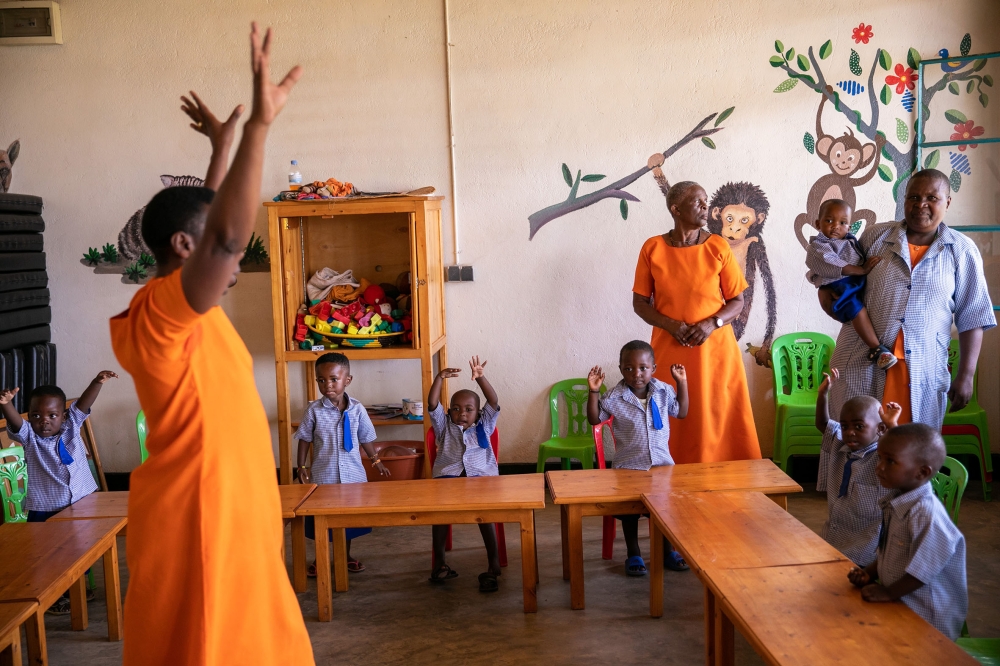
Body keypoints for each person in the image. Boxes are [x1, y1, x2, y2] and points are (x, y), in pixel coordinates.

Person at [109, 23, 314, 664]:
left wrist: (222, 151)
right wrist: (257, 129)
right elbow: (221, 236)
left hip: (235, 516)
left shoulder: (187, 306)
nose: (233, 266)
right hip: (197, 525)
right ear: (183, 252)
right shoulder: (167, 315)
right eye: (219, 256)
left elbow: (206, 220)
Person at [829, 169, 996, 428]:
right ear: (904, 200)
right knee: (855, 447)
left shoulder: (961, 250)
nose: (921, 205)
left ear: (947, 202)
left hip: (922, 369)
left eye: (932, 197)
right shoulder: (875, 237)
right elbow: (837, 283)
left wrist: (966, 375)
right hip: (862, 361)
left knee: (910, 452)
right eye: (913, 197)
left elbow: (973, 317)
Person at [633, 159, 761, 463]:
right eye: (698, 202)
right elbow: (640, 303)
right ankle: (669, 482)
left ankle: (727, 483)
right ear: (676, 209)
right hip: (668, 347)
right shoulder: (652, 248)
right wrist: (672, 325)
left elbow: (737, 301)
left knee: (715, 410)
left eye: (706, 202)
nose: (706, 207)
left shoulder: (718, 246)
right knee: (668, 409)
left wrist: (710, 324)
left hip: (714, 348)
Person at [0, 371, 117, 614]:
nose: (44, 421)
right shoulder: (30, 437)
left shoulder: (72, 425)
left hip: (80, 504)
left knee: (81, 549)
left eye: (52, 415)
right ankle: (55, 595)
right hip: (46, 508)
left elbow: (83, 404)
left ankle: (73, 586)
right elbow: (15, 423)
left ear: (63, 417)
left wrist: (97, 382)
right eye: (36, 415)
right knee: (48, 556)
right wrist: (6, 404)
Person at [848, 423, 967, 640]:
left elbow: (923, 571)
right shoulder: (897, 500)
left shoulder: (925, 514)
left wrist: (888, 592)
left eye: (890, 461)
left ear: (922, 472)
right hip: (901, 602)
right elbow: (890, 552)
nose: (880, 467)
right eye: (880, 458)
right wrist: (870, 573)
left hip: (927, 620)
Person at [586, 340, 689, 575]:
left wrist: (681, 382)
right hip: (628, 469)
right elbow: (594, 419)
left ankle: (667, 551)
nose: (637, 374)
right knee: (629, 510)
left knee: (665, 508)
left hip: (661, 467)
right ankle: (634, 554)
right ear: (621, 369)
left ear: (653, 368)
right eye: (629, 368)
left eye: (643, 368)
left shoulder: (664, 391)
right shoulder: (613, 397)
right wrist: (594, 391)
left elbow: (681, 412)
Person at [296, 353, 388, 576]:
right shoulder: (314, 411)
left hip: (352, 476)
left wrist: (376, 461)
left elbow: (366, 437)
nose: (327, 385)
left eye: (333, 379)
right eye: (321, 380)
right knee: (322, 520)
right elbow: (305, 438)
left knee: (346, 521)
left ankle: (344, 556)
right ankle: (321, 558)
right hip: (324, 476)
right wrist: (301, 468)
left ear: (348, 379)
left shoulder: (357, 409)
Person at [427, 356, 502, 593]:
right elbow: (431, 403)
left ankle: (493, 562)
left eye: (469, 409)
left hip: (481, 479)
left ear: (478, 413)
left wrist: (480, 378)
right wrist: (439, 378)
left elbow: (493, 400)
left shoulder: (485, 424)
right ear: (449, 412)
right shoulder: (444, 426)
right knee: (439, 513)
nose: (462, 413)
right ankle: (439, 562)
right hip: (448, 478)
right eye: (456, 409)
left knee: (485, 513)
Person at [814, 368, 896, 566]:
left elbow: (902, 450)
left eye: (859, 427)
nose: (849, 433)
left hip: (867, 549)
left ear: (880, 428)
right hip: (833, 537)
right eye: (845, 426)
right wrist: (822, 395)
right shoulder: (839, 443)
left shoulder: (883, 456)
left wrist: (893, 425)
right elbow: (823, 424)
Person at [806, 199, 894, 369]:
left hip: (851, 282)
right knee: (857, 310)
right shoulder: (819, 245)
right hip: (837, 284)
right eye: (829, 220)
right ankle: (876, 349)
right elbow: (829, 262)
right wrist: (860, 270)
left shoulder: (850, 240)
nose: (835, 226)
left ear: (849, 226)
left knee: (862, 307)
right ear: (818, 223)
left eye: (842, 222)